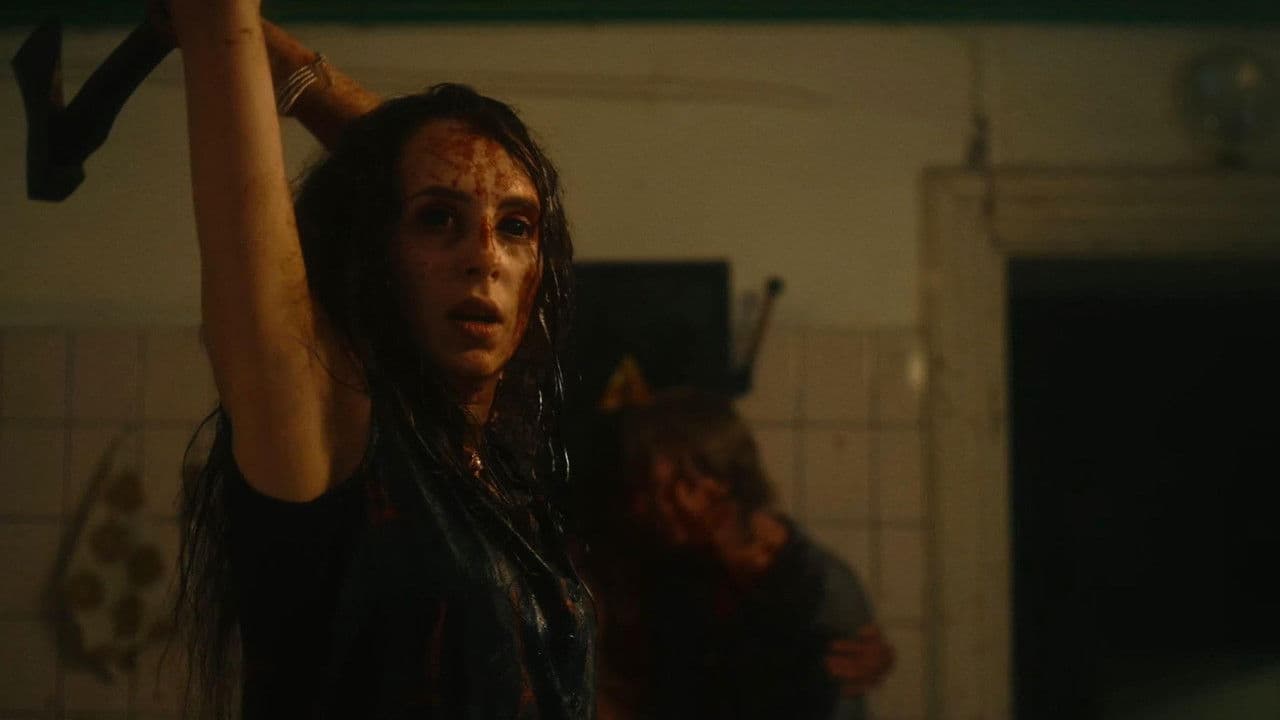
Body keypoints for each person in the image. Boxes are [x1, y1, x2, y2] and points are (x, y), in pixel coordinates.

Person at [158, 2, 594, 717]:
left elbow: (425, 170)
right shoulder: (330, 433)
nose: (485, 256)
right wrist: (225, 30)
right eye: (437, 220)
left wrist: (294, 70)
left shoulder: (490, 474)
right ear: (373, 254)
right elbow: (293, 210)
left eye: (516, 227)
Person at [576, 388, 893, 720]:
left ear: (715, 483)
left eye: (662, 490)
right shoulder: (673, 568)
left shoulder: (820, 587)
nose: (643, 507)